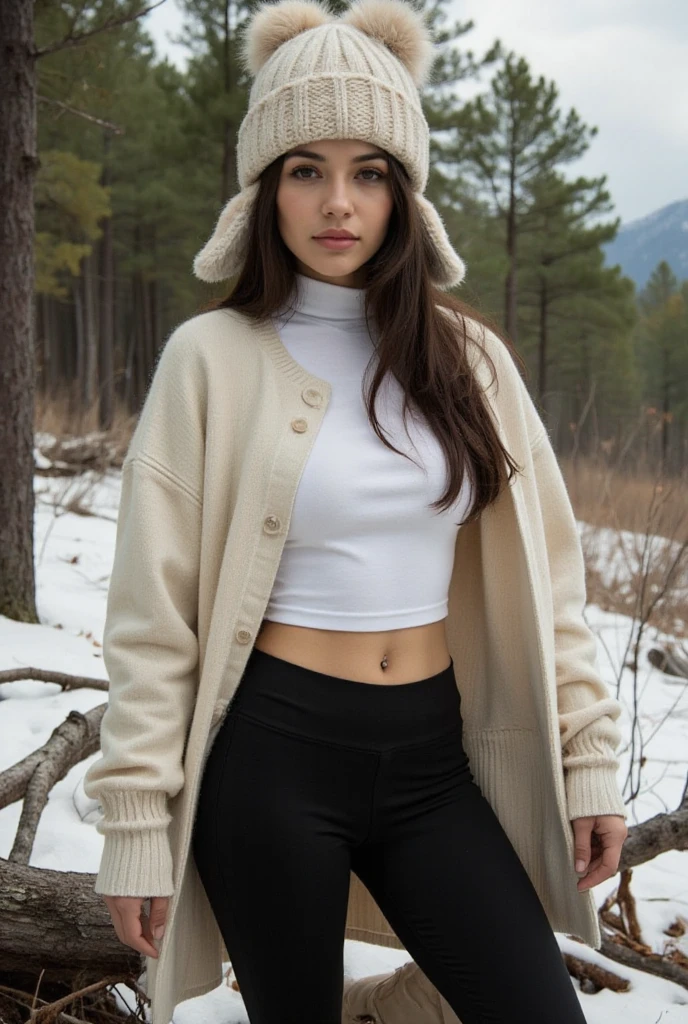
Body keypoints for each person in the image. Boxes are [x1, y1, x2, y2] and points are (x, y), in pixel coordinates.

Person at [83, 1, 629, 1022]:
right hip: (270, 757)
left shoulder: (468, 361)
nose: (338, 202)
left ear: (404, 191)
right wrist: (135, 823)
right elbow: (150, 620)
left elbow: (553, 580)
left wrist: (587, 758)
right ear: (264, 189)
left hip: (432, 758)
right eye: (306, 169)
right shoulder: (210, 360)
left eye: (368, 171)